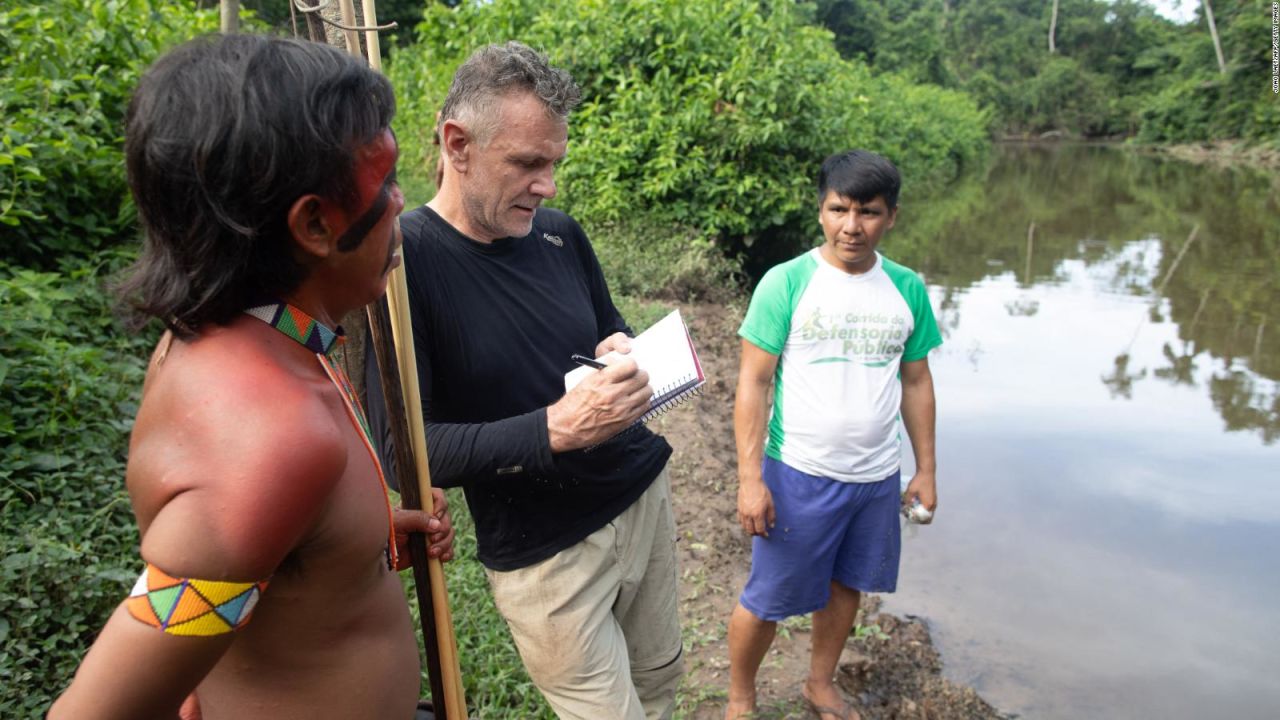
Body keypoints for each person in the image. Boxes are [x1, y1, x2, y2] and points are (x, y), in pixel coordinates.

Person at [49, 34, 455, 720]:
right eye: (384, 183)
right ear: (316, 224)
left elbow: (249, 562)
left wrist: (357, 538)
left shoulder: (271, 335)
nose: (401, 200)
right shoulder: (272, 440)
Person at [364, 42, 684, 720]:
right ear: (457, 144)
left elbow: (609, 326)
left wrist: (621, 347)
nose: (548, 186)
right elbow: (405, 453)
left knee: (660, 686)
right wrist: (553, 429)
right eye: (528, 164)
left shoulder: (559, 236)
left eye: (554, 164)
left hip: (640, 498)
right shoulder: (400, 265)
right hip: (548, 555)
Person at [724, 150, 941, 720]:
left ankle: (819, 682)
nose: (852, 226)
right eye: (838, 209)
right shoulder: (787, 282)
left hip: (874, 479)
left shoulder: (906, 288)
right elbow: (753, 383)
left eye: (867, 212)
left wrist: (926, 469)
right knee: (767, 597)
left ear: (891, 215)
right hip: (799, 471)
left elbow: (917, 382)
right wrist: (751, 480)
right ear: (820, 211)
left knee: (848, 586)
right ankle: (740, 698)